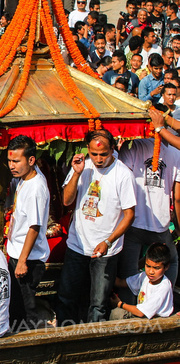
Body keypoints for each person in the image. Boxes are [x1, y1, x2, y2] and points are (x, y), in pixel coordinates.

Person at [57, 129, 136, 325]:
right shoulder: (83, 167)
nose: (99, 159)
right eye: (94, 154)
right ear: (87, 150)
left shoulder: (123, 174)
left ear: (112, 150)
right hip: (77, 244)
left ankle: (93, 345)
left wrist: (108, 242)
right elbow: (67, 201)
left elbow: (129, 215)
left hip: (106, 251)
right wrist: (76, 174)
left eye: (103, 154)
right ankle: (65, 339)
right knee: (67, 295)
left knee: (99, 303)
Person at [117, 133, 180, 303]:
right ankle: (164, 300)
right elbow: (178, 199)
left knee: (128, 271)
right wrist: (179, 229)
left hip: (133, 222)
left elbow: (122, 181)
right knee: (171, 261)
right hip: (160, 225)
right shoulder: (176, 152)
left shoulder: (132, 146)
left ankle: (127, 307)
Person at [6, 135, 50, 330]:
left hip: (29, 259)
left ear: (31, 160)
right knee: (15, 303)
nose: (11, 166)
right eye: (9, 161)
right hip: (17, 252)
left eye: (16, 161)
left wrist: (22, 261)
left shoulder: (36, 188)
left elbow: (34, 227)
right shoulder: (25, 178)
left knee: (25, 308)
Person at [110, 243, 173, 320]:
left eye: (156, 268)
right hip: (144, 315)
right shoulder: (144, 277)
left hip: (156, 319)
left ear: (166, 267)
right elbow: (121, 283)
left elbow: (140, 313)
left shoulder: (163, 286)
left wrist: (119, 304)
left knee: (117, 314)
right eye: (148, 266)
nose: (151, 271)